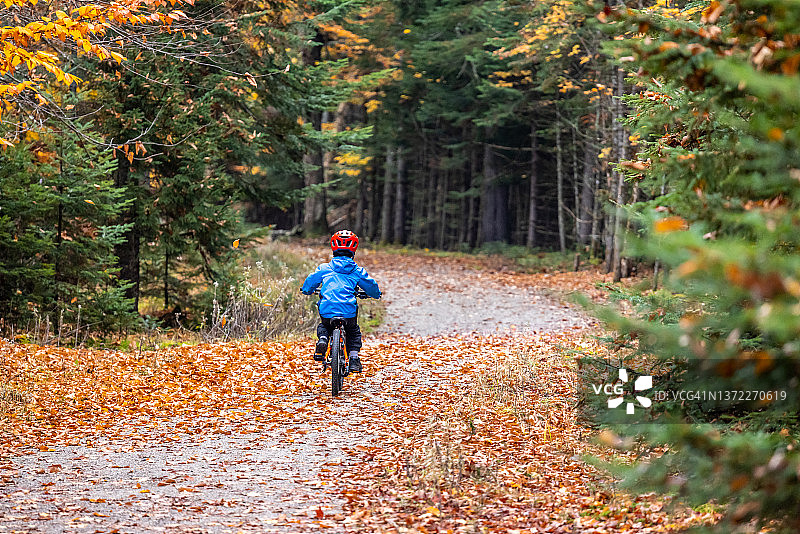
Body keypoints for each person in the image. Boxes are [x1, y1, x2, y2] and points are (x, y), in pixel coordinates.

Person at [300, 230, 381, 373]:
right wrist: (375, 294)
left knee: (324, 325)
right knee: (353, 330)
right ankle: (354, 358)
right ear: (353, 250)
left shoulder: (325, 268)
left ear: (333, 248)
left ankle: (323, 339)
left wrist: (307, 290)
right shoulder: (357, 271)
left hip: (327, 308)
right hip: (348, 310)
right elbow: (371, 287)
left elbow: (310, 282)